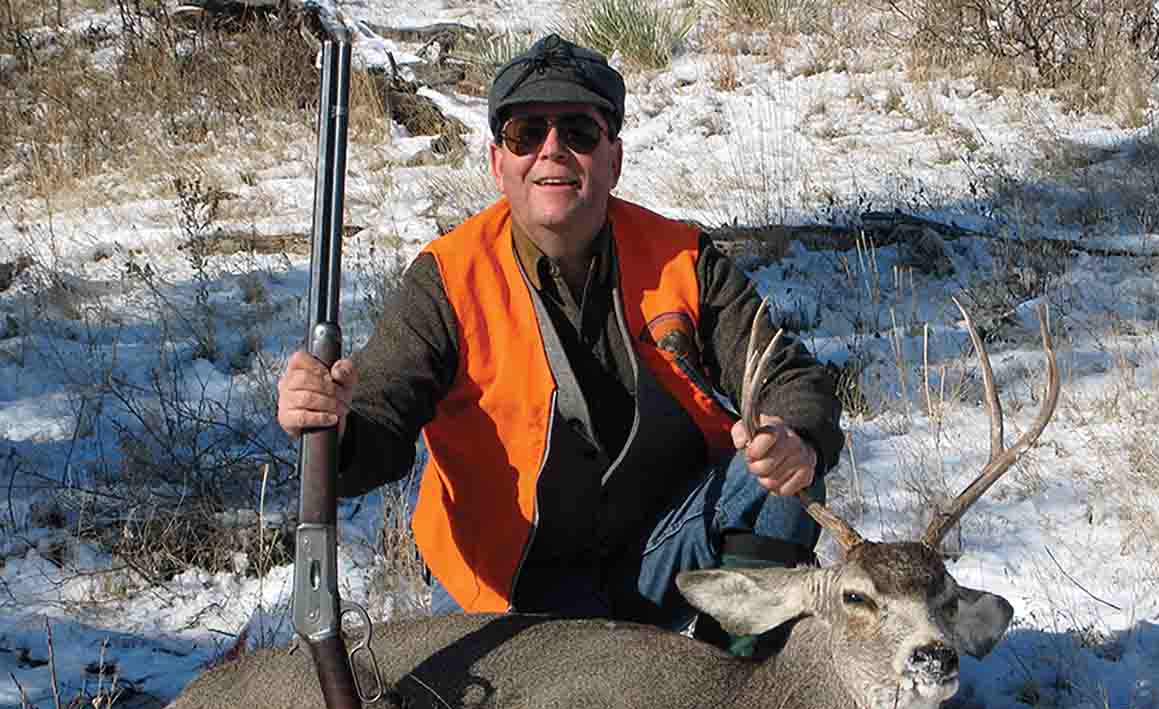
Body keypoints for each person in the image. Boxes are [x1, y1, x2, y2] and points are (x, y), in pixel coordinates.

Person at [277, 33, 844, 654]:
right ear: (498, 161)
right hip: (507, 584)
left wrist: (795, 436)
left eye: (578, 130)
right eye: (526, 133)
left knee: (780, 479)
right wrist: (331, 425)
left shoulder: (683, 257)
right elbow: (379, 424)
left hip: (656, 550)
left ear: (614, 158)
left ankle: (729, 697)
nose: (552, 151)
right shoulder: (448, 278)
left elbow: (793, 377)